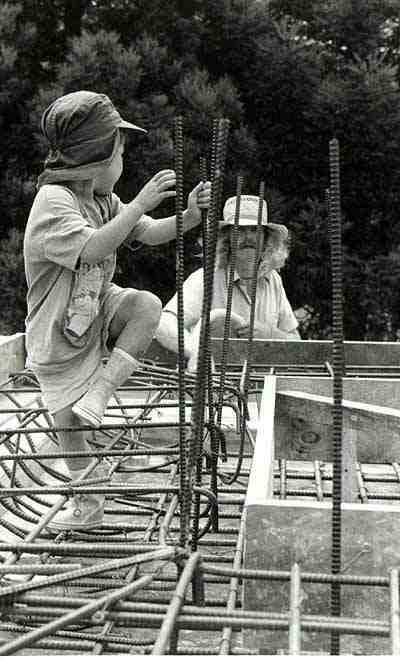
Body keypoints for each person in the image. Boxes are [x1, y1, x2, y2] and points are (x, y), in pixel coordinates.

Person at [24, 90, 211, 530]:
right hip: (57, 328)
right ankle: (88, 505)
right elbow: (92, 248)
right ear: (97, 155)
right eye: (120, 153)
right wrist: (141, 203)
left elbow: (149, 232)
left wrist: (189, 216)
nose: (122, 163)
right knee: (70, 428)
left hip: (95, 306)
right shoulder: (53, 201)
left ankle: (102, 391)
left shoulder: (104, 200)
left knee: (146, 305)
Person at [156, 194, 300, 371]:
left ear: (266, 238)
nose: (248, 238)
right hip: (213, 381)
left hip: (263, 382)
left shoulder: (273, 281)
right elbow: (163, 323)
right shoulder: (206, 279)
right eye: (240, 230)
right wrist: (196, 352)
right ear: (226, 237)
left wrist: (270, 334)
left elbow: (298, 344)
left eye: (254, 230)